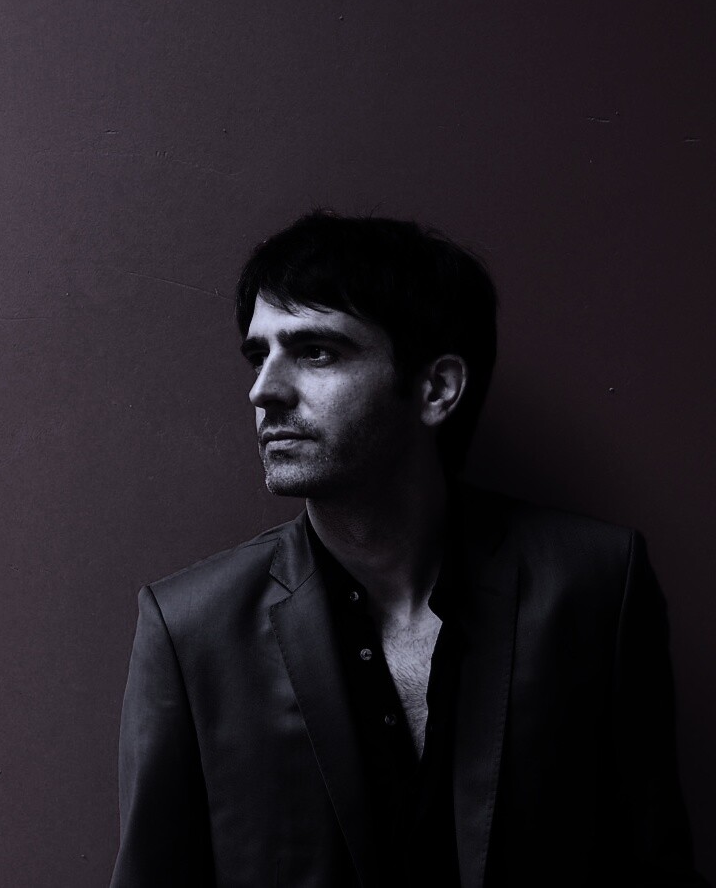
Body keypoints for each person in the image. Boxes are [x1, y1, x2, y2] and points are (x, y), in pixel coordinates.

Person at [110, 212, 707, 887]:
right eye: (258, 355)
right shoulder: (191, 631)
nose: (263, 390)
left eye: (316, 352)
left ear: (436, 389)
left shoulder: (594, 584)